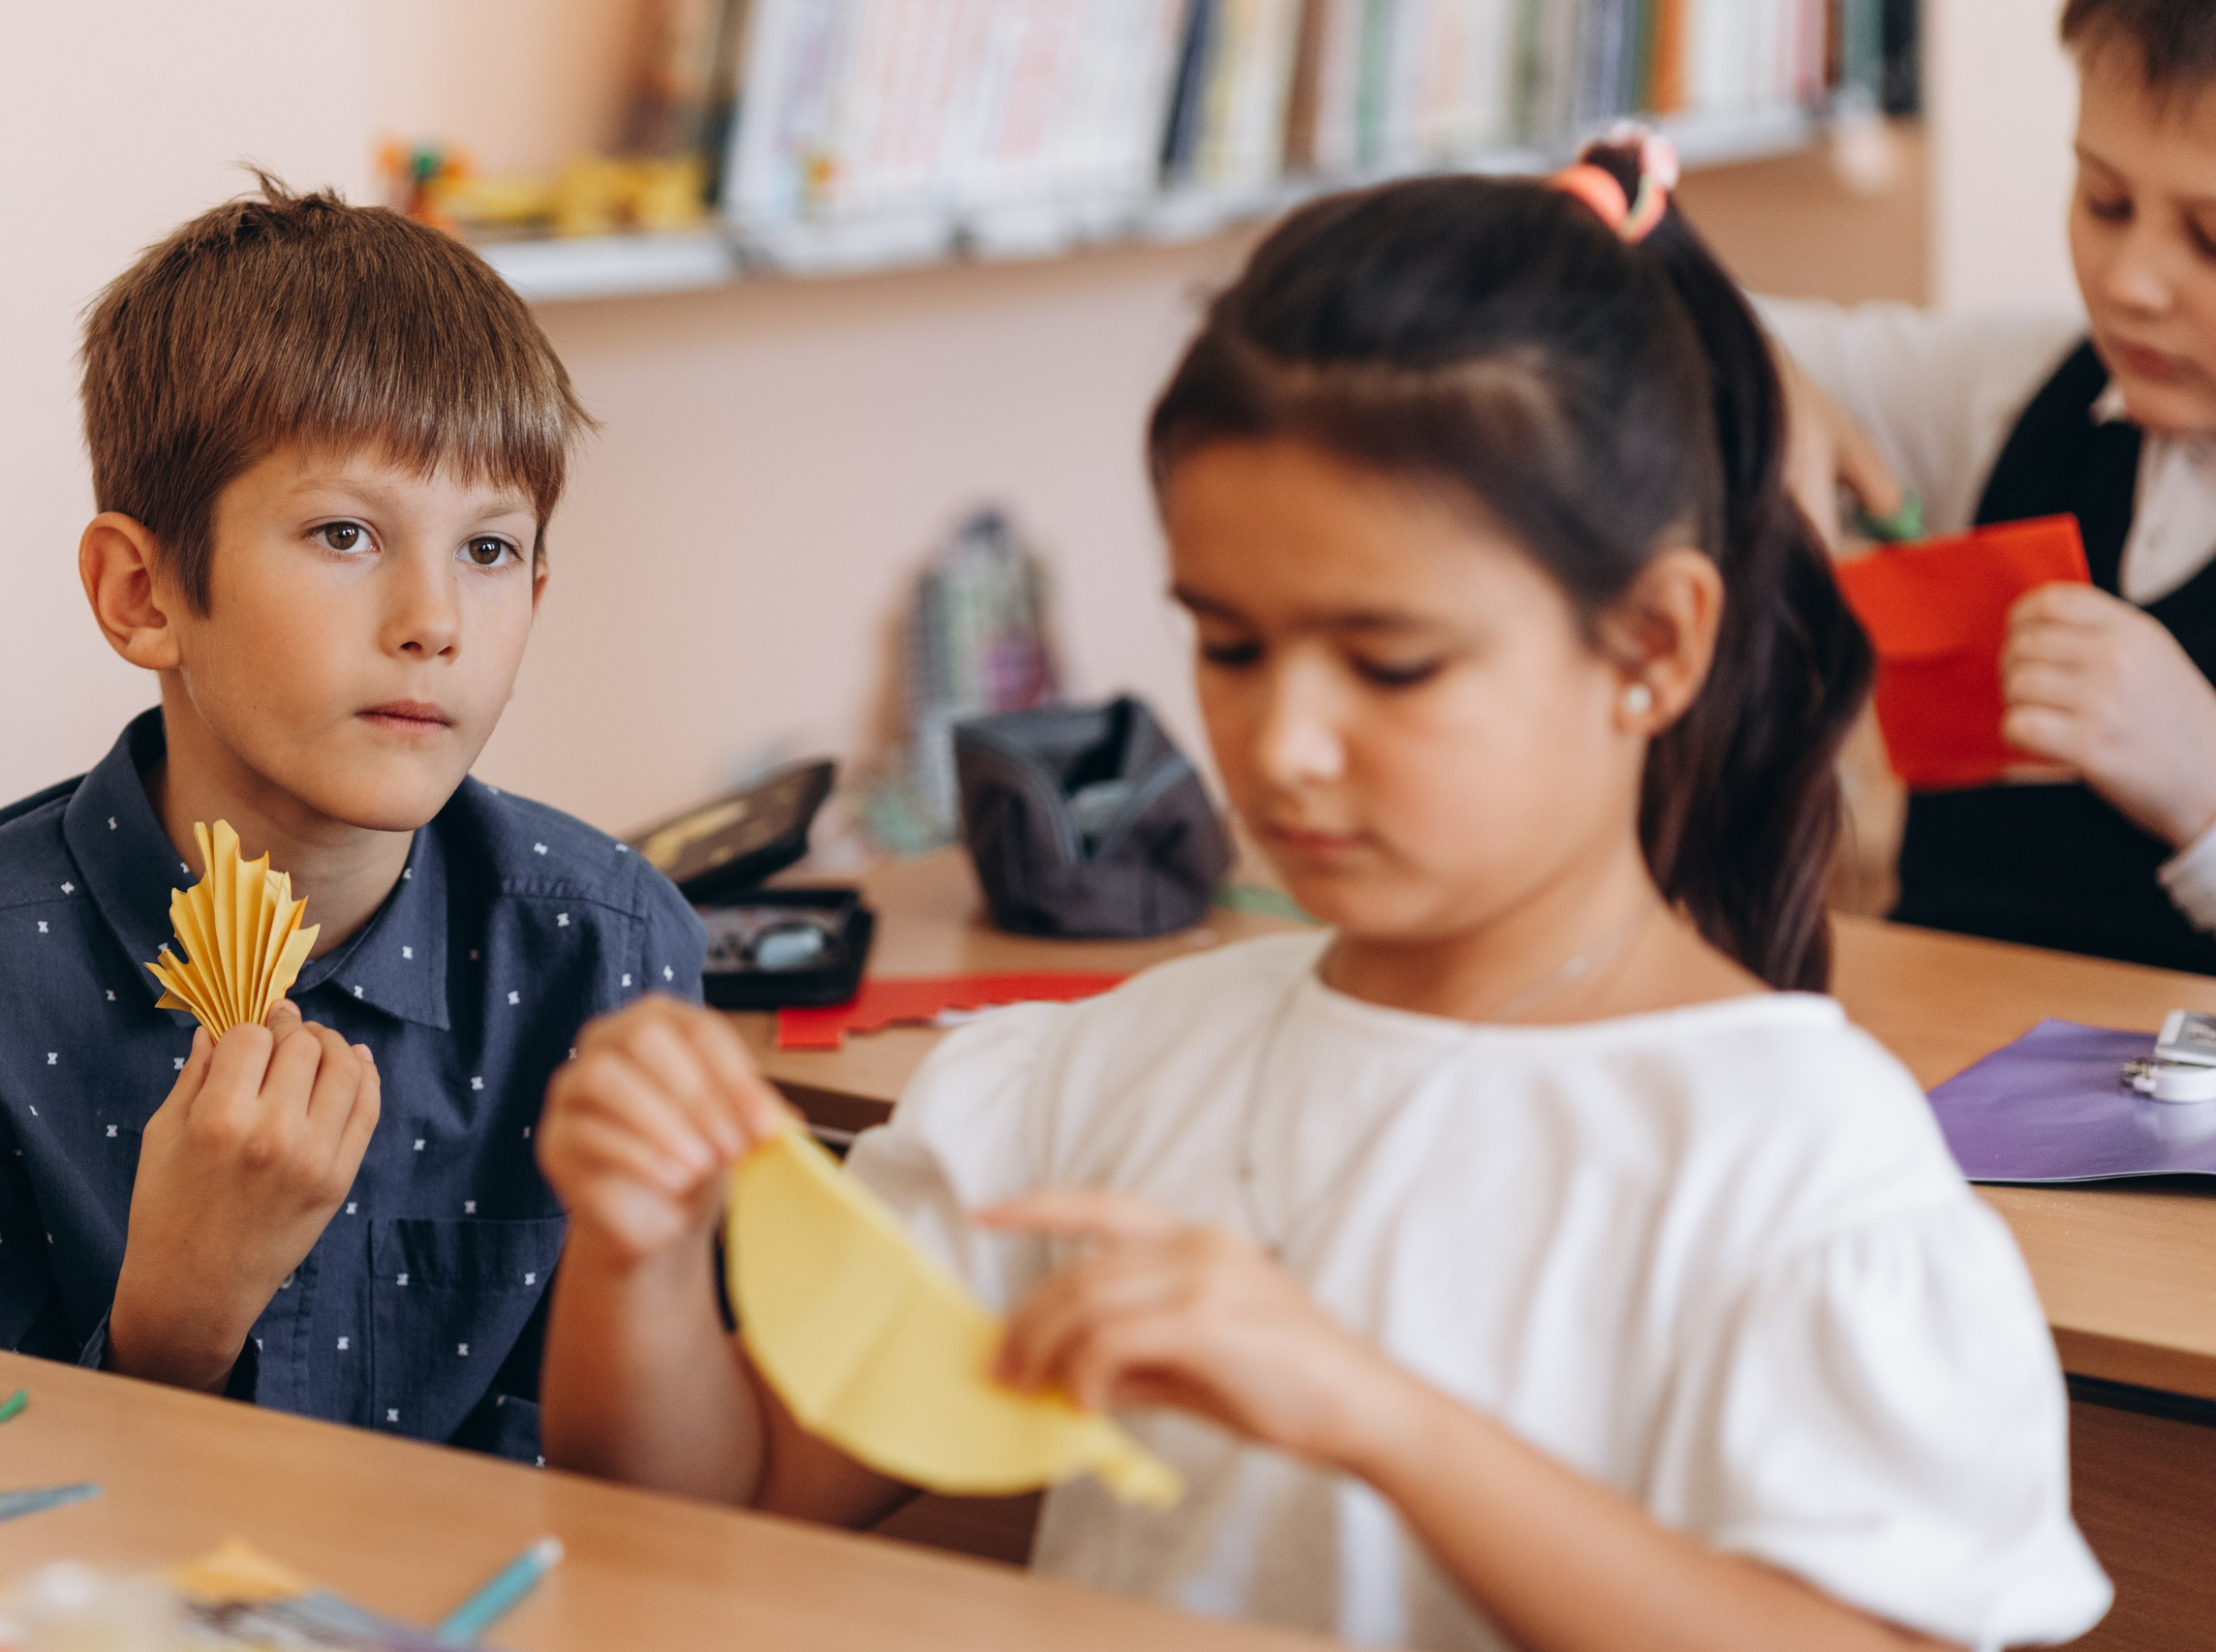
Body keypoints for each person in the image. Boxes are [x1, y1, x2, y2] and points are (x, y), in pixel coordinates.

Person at [530, 139, 2109, 1650]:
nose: (1281, 743)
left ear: (1651, 646)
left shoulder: (1791, 1161)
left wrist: (1377, 1414)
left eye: (1390, 662)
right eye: (1228, 644)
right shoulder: (1114, 1069)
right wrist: (640, 1250)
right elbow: (717, 1498)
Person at [0, 175, 701, 1462]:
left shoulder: (615, 946)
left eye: (489, 549)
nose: (435, 621)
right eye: (344, 533)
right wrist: (178, 1314)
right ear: (142, 593)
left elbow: (660, 1490)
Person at [1774, 0, 2216, 970]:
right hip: (1934, 1025)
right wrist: (1761, 379)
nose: (2132, 283)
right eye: (2104, 202)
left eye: (2211, 240)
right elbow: (1644, 316)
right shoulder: (2019, 388)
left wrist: (2202, 790)